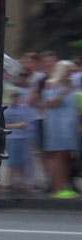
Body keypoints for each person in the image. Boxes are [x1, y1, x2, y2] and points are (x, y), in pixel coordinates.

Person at [41, 60, 80, 199]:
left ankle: (66, 186)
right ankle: (57, 188)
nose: (71, 73)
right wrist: (62, 92)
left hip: (69, 125)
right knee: (58, 156)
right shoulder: (52, 84)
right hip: (57, 124)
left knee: (67, 157)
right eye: (68, 70)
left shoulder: (71, 86)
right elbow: (50, 103)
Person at [3, 88, 39, 197]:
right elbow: (6, 125)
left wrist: (13, 126)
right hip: (11, 138)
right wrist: (18, 126)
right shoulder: (7, 110)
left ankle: (24, 184)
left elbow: (26, 124)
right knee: (12, 162)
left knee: (24, 162)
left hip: (23, 138)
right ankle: (13, 183)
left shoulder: (25, 109)